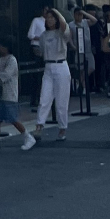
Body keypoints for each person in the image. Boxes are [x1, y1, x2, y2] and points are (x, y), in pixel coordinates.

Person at [32, 9, 75, 143]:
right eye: (48, 17)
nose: (49, 20)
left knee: (61, 100)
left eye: (52, 17)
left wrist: (56, 11)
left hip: (61, 65)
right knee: (44, 98)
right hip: (48, 67)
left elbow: (64, 25)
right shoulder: (44, 35)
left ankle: (62, 127)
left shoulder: (61, 32)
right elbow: (41, 50)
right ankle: (39, 126)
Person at [0, 39, 31, 152]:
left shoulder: (12, 60)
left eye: (2, 46)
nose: (0, 48)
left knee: (13, 118)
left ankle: (28, 136)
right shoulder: (0, 60)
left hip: (9, 94)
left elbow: (7, 75)